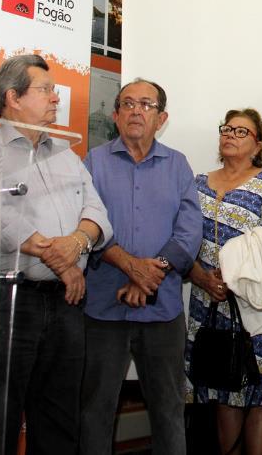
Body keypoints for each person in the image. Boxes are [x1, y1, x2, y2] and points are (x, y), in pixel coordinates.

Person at [0, 54, 110, 455]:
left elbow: (96, 213)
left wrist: (77, 245)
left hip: (65, 303)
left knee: (60, 419)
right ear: (13, 97)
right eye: (45, 90)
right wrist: (61, 260)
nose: (55, 99)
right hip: (7, 299)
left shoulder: (66, 154)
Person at [81, 78, 202, 455]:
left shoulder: (178, 164)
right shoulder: (93, 162)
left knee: (168, 409)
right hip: (102, 309)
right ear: (116, 115)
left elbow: (189, 231)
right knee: (95, 410)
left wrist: (151, 274)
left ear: (161, 117)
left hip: (162, 309)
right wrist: (132, 266)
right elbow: (85, 223)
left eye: (146, 105)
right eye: (128, 104)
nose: (136, 111)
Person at [185, 108, 262, 455]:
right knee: (225, 393)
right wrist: (202, 278)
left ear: (257, 144)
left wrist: (231, 273)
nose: (231, 135)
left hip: (257, 303)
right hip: (210, 300)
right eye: (227, 129)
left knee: (260, 396)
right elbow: (181, 238)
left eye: (241, 131)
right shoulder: (197, 183)